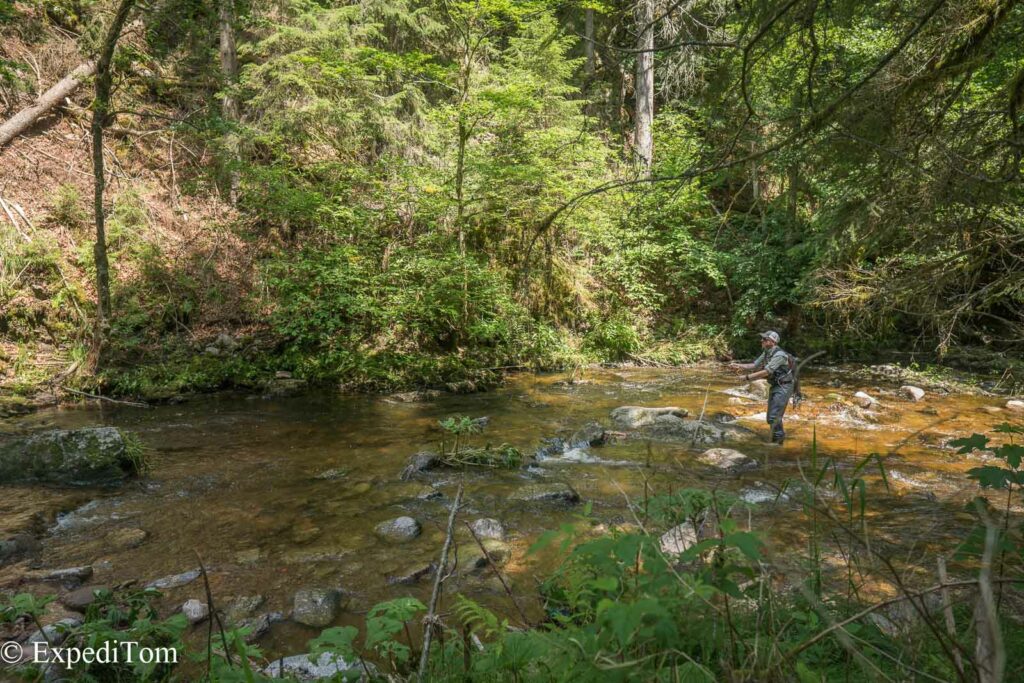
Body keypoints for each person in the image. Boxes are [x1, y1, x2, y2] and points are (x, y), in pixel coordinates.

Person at [728, 330, 795, 444]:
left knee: (774, 418)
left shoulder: (780, 355)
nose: (762, 340)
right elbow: (754, 365)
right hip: (776, 386)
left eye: (764, 339)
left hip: (784, 387)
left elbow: (766, 372)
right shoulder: (767, 352)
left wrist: (747, 377)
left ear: (772, 342)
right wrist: (738, 365)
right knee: (770, 418)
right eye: (762, 339)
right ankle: (776, 443)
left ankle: (778, 444)